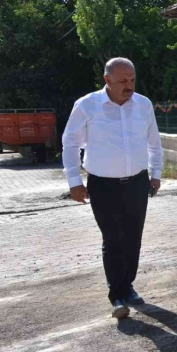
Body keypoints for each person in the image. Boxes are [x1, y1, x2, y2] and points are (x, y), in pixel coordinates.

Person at [61, 58, 163, 319]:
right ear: (107, 80)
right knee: (113, 238)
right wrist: (74, 181)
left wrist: (156, 174)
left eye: (132, 80)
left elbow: (154, 143)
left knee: (133, 238)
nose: (129, 86)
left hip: (138, 183)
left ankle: (127, 286)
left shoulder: (143, 105)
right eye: (123, 81)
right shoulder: (87, 106)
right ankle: (117, 295)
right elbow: (70, 143)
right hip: (102, 185)